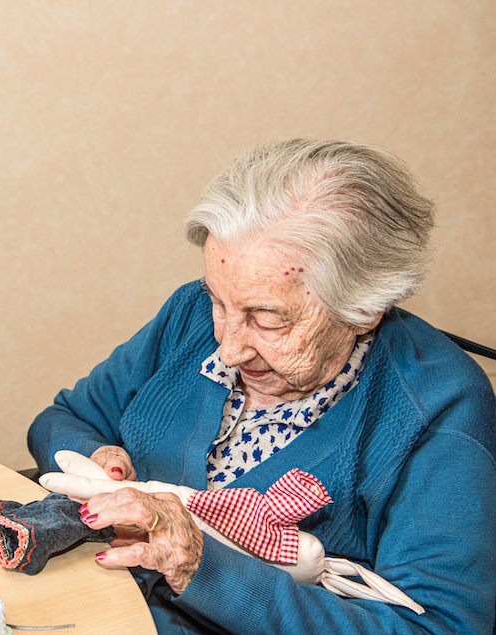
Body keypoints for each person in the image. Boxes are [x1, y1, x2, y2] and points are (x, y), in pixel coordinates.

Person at [28, 139, 496, 634]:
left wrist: (199, 566)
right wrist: (99, 459)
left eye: (266, 319)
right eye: (220, 303)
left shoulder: (440, 412)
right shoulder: (190, 314)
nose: (228, 349)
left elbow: (442, 628)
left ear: (364, 309)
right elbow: (60, 420)